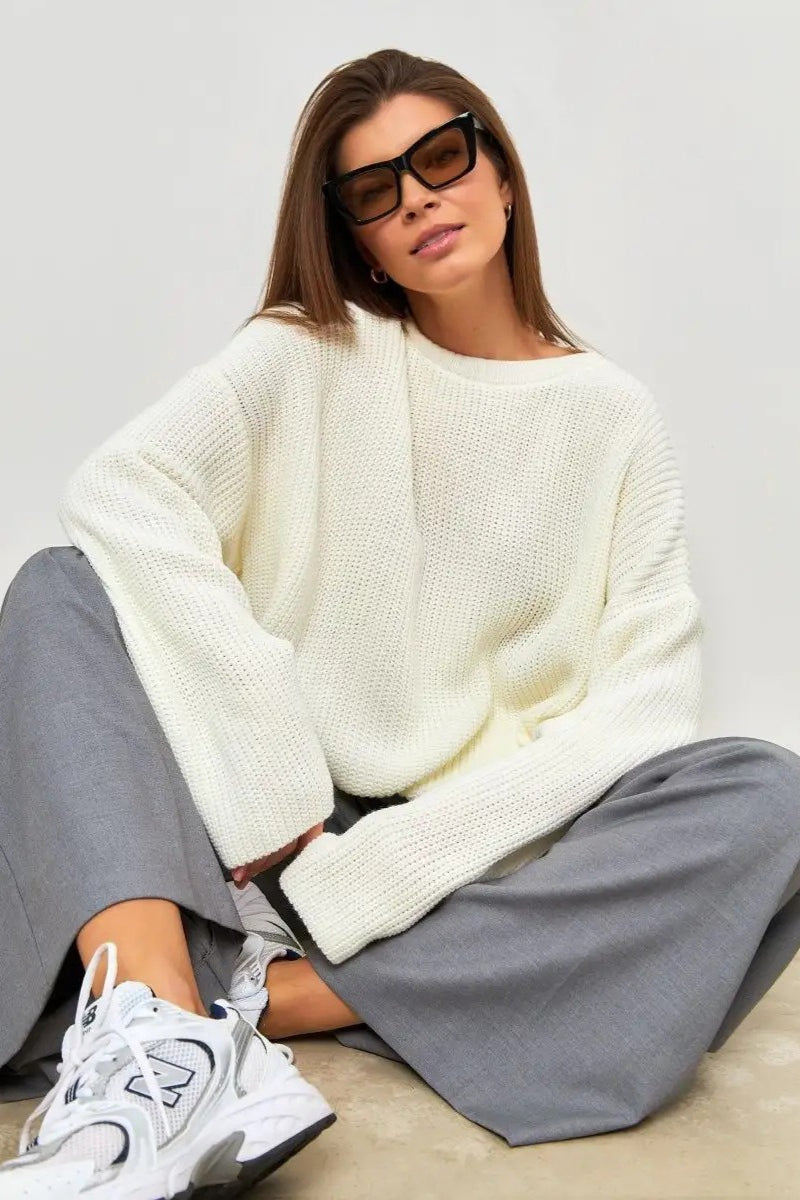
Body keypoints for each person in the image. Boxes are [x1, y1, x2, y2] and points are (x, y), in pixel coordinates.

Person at [2, 44, 800, 1196]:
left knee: (763, 795)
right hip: (253, 840)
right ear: (355, 236)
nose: (418, 198)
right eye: (375, 190)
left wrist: (381, 871)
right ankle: (159, 1038)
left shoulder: (609, 417)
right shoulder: (305, 352)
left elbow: (643, 708)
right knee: (61, 586)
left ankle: (258, 1004)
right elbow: (127, 491)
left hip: (452, 869)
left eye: (440, 158)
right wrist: (276, 798)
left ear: (501, 174)